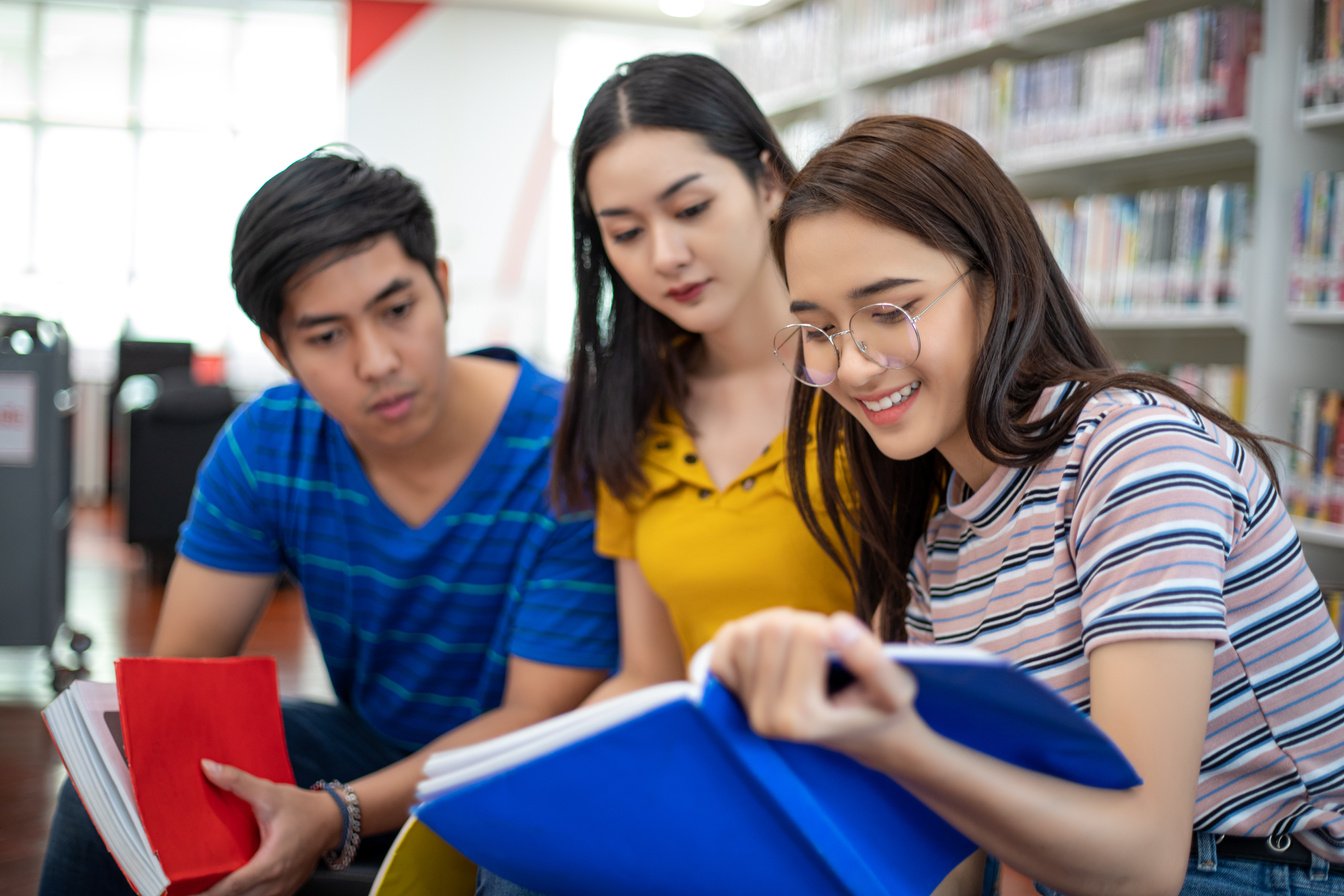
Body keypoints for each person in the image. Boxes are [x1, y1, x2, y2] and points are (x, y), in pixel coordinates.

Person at [709, 115, 1344, 896]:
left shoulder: (1135, 455)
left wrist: (893, 739)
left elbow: (1142, 863)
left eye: (890, 310)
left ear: (1001, 287)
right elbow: (997, 833)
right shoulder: (943, 538)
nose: (855, 367)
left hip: (1251, 870)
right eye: (819, 329)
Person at [39, 147, 619, 896]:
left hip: (531, 768)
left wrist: (334, 814)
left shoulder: (572, 446)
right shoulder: (268, 446)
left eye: (397, 310)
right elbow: (182, 689)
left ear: (441, 287)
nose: (377, 360)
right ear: (280, 352)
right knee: (105, 801)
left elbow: (536, 717)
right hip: (370, 746)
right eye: (326, 336)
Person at [550, 52, 856, 700]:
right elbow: (650, 673)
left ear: (769, 183)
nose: (666, 256)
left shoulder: (873, 377)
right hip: (707, 763)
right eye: (627, 232)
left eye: (690, 209)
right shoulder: (632, 408)